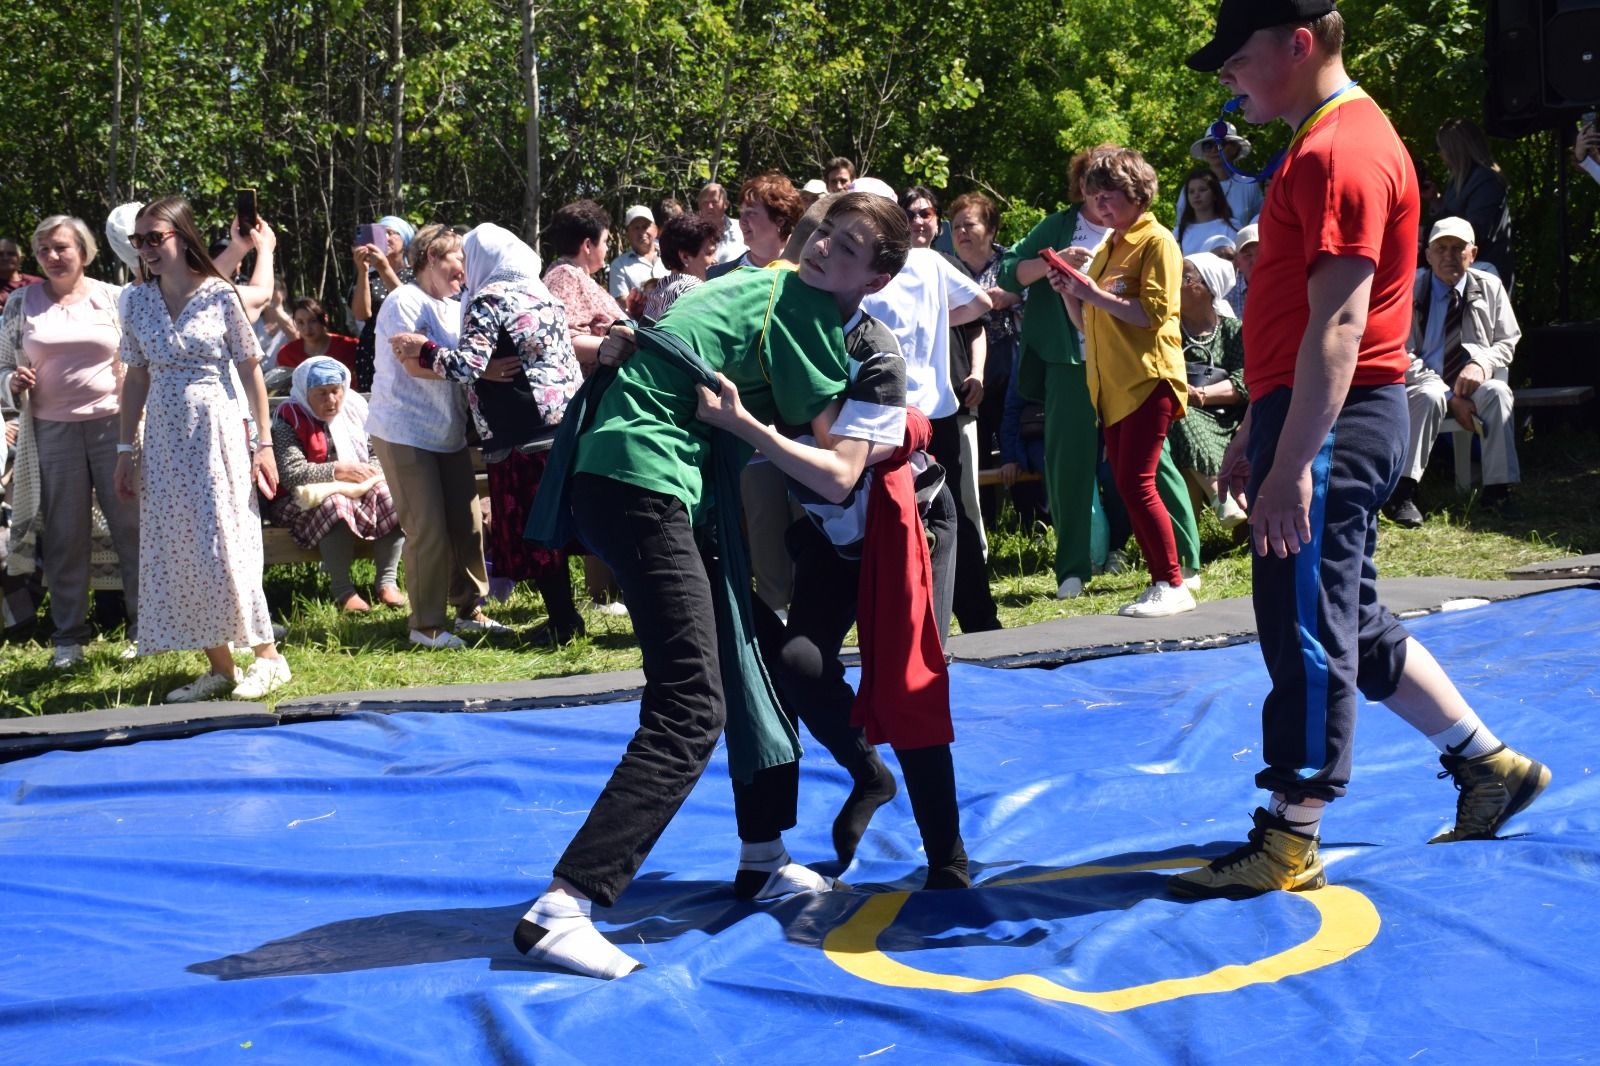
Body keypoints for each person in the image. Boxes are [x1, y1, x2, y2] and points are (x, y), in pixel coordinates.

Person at [1170, 0, 1549, 900]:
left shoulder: (1342, 148)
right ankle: (1488, 762)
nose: (1226, 75)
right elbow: (1301, 320)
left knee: (1302, 618)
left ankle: (1290, 836)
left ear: (1299, 45)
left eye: (1236, 57)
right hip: (1309, 413)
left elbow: (1341, 326)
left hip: (1336, 418)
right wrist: (1262, 429)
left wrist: (1294, 461)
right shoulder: (1321, 140)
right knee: (1349, 613)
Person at [515, 192, 900, 980]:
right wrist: (755, 428)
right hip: (644, 477)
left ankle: (762, 856)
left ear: (880, 276)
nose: (828, 250)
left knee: (751, 652)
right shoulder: (805, 313)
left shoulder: (762, 284)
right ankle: (565, 904)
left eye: (850, 248)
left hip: (642, 474)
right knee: (693, 701)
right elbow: (836, 476)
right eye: (829, 235)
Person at [113, 196, 291, 702]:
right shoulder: (136, 301)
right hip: (165, 435)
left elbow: (252, 368)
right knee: (179, 543)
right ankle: (220, 665)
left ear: (181, 237)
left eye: (155, 237)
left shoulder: (220, 295)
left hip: (215, 427)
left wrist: (263, 442)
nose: (146, 248)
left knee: (226, 540)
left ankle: (268, 657)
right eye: (139, 239)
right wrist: (127, 448)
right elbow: (136, 374)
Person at [391, 223, 584, 643]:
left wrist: (419, 347)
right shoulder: (542, 294)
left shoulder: (489, 299)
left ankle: (563, 621)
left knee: (541, 534)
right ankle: (569, 618)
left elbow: (465, 366)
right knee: (572, 527)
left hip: (521, 432)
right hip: (564, 425)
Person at [1053, 147, 1200, 619]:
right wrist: (1070, 293)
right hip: (1112, 387)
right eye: (1093, 196)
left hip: (1147, 378)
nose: (1099, 205)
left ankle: (1172, 582)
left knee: (1136, 482)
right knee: (1127, 482)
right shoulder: (1110, 246)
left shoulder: (1156, 241)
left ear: (1136, 192)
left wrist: (1091, 291)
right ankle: (1163, 579)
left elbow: (1152, 314)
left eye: (1108, 194)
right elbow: (1088, 321)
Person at [860, 180, 1000, 634]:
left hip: (889, 413)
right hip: (934, 412)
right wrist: (940, 318)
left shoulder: (862, 265)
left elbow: (980, 304)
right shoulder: (928, 261)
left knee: (892, 520)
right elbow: (978, 303)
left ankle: (910, 624)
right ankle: (979, 620)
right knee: (950, 515)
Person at [0, 216, 140, 668]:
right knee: (64, 533)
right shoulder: (20, 303)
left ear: (84, 251)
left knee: (132, 527)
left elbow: (140, 358)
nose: (52, 257)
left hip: (115, 427)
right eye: (43, 250)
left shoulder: (113, 297)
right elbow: (1, 366)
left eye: (61, 247)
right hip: (51, 430)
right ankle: (68, 637)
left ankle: (148, 627)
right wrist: (13, 383)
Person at [369, 224, 490, 650]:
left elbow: (460, 358)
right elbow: (414, 365)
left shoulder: (458, 306)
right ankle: (426, 625)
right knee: (429, 529)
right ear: (432, 259)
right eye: (459, 259)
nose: (465, 269)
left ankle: (468, 608)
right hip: (404, 430)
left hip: (448, 432)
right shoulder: (405, 301)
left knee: (467, 525)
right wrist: (479, 368)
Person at [1384, 217, 1522, 528]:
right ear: (1428, 254)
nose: (1449, 256)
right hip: (1423, 380)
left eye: (1458, 248)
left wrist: (1482, 363)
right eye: (1441, 248)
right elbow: (1399, 351)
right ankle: (1403, 493)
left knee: (1499, 393)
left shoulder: (1489, 286)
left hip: (1473, 380)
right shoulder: (1411, 289)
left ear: (1472, 254)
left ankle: (1498, 491)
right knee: (1432, 395)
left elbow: (1508, 339)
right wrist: (1450, 396)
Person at [264, 357, 403, 612]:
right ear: (306, 393)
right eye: (321, 394)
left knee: (392, 497)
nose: (331, 401)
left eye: (335, 391)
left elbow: (377, 453)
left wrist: (370, 472)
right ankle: (343, 591)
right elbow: (291, 474)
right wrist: (338, 470)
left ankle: (387, 582)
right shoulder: (289, 418)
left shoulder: (355, 409)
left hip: (356, 491)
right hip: (298, 500)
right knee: (335, 503)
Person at [1172, 252, 1250, 528]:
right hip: (1183, 416)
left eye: (1185, 276)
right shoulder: (1169, 331)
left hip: (1229, 419)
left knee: (1181, 419)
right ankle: (1222, 498)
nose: (1174, 282)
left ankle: (1187, 545)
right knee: (1181, 417)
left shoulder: (1233, 330)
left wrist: (1201, 395)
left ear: (1207, 288)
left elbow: (1247, 380)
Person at [542, 200, 629, 369]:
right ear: (588, 245)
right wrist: (619, 347)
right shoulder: (565, 276)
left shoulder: (575, 275)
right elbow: (562, 339)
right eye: (605, 241)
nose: (607, 248)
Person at [1435, 118, 1514, 292]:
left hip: (1484, 277)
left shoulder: (1486, 181)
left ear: (1455, 150)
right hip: (1462, 273)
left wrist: (1430, 235)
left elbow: (1476, 230)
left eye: (1442, 149)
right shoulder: (1459, 180)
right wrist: (1436, 200)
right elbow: (1453, 215)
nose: (1440, 154)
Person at [350, 215, 416, 391]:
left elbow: (406, 305)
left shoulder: (415, 275)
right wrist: (363, 271)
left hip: (406, 347)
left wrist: (383, 267)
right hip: (372, 349)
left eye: (390, 233)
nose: (385, 238)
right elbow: (362, 314)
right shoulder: (370, 277)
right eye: (380, 233)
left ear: (405, 240)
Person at [708, 172, 804, 278]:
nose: (742, 221)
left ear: (780, 220)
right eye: (742, 213)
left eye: (751, 213)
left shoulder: (805, 276)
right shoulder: (719, 275)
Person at [1174, 122, 1266, 228]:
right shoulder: (1192, 188)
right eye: (1208, 145)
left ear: (1235, 148)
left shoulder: (1248, 184)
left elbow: (1259, 224)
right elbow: (1181, 225)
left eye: (1220, 143)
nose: (1214, 149)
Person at [641, 214, 719, 324]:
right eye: (709, 253)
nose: (715, 260)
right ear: (685, 257)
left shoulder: (659, 290)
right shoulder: (696, 291)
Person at [606, 205, 666, 312]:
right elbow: (621, 302)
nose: (642, 232)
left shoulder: (670, 254)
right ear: (627, 234)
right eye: (636, 228)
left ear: (656, 229)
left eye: (645, 226)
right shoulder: (619, 266)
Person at [276, 297, 359, 375]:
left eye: (313, 321)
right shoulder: (287, 354)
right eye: (300, 322)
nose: (307, 328)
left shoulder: (348, 347)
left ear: (325, 319)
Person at [1176, 169, 1240, 256]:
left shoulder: (1231, 226)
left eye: (1202, 190)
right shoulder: (1179, 231)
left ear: (1215, 194)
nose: (1196, 195)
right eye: (1191, 192)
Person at [697, 182, 745, 264]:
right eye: (705, 202)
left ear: (726, 204)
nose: (710, 207)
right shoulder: (691, 232)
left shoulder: (742, 229)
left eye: (714, 202)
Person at [1226, 223, 1258, 317]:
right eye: (1248, 256)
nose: (1255, 261)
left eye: (1261, 254)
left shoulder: (1283, 288)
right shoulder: (1228, 294)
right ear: (1237, 261)